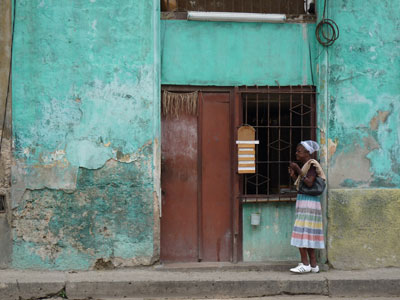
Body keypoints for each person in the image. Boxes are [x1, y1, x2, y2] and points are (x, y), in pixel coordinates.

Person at [288, 140, 326, 273]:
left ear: (307, 153)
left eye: (299, 151)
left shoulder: (311, 165)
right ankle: (314, 265)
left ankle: (305, 264)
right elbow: (302, 185)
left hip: (308, 202)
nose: (296, 153)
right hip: (307, 201)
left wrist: (298, 169)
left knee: (302, 231)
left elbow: (309, 183)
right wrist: (294, 176)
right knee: (308, 232)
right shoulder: (306, 165)